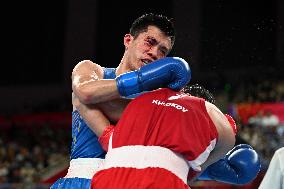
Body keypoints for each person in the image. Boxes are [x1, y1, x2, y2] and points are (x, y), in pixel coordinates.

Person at [51, 13, 191, 189]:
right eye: (150, 42)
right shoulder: (92, 71)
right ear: (128, 40)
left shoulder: (161, 97)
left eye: (163, 51)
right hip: (82, 181)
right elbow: (85, 92)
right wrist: (140, 80)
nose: (155, 53)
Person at [75, 84, 260, 189]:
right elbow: (227, 137)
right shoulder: (206, 116)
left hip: (108, 181)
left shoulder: (122, 136)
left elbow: (81, 99)